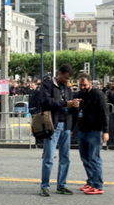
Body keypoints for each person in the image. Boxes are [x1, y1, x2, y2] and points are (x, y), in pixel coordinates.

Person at [30, 64, 75, 197]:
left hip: (65, 124)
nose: (67, 81)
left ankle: (62, 185)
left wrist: (73, 104)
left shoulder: (67, 88)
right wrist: (64, 103)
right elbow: (45, 101)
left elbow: (69, 103)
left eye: (69, 79)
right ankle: (45, 186)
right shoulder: (48, 85)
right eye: (66, 78)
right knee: (49, 157)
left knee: (65, 157)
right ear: (59, 74)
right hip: (52, 125)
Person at [72, 73, 109, 195]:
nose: (82, 87)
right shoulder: (79, 94)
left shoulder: (98, 95)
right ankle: (91, 181)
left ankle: (98, 185)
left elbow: (104, 113)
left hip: (95, 130)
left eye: (85, 85)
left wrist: (106, 131)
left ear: (91, 83)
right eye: (80, 85)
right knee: (85, 158)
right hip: (83, 129)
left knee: (94, 158)